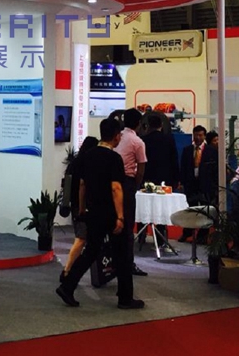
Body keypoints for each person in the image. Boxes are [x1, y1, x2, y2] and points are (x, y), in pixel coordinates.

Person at [56, 118, 144, 310]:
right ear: (116, 136)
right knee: (122, 253)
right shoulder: (114, 158)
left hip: (93, 211)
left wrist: (82, 209)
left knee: (90, 252)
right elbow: (116, 188)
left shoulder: (88, 156)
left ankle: (67, 286)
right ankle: (125, 297)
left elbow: (82, 185)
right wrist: (120, 216)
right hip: (110, 213)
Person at [114, 108, 148, 277]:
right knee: (127, 227)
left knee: (113, 224)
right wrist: (134, 186)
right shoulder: (138, 142)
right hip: (127, 184)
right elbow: (140, 170)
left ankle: (111, 262)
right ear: (139, 123)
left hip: (112, 182)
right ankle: (128, 264)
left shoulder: (116, 138)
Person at [60, 136, 99, 280]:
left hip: (74, 204)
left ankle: (70, 269)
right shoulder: (87, 164)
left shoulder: (74, 163)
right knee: (81, 238)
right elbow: (83, 185)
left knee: (82, 238)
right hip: (82, 205)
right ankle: (67, 269)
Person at [140, 113, 179, 244]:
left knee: (144, 205)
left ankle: (141, 234)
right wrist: (176, 179)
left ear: (148, 126)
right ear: (161, 125)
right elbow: (174, 160)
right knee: (162, 208)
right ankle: (161, 236)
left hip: (147, 178)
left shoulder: (143, 140)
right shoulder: (169, 139)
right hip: (164, 178)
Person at [178, 125, 207, 243]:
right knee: (190, 209)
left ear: (204, 136)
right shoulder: (187, 150)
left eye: (200, 135)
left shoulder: (211, 151)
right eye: (196, 135)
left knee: (205, 210)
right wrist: (182, 182)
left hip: (205, 184)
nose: (198, 137)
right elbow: (183, 167)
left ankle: (202, 236)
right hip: (190, 184)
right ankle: (187, 232)